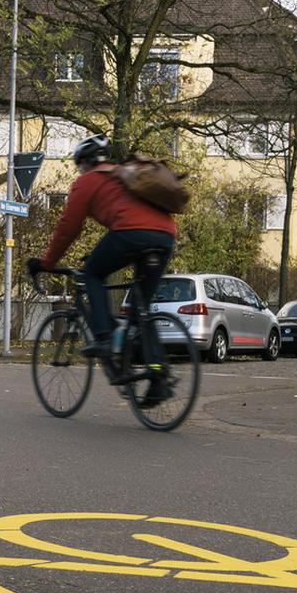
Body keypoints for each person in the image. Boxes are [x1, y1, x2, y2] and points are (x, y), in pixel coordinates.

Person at [26, 134, 177, 404]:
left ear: (84, 162)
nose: (80, 170)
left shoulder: (87, 182)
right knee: (142, 306)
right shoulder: (125, 175)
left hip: (130, 234)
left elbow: (68, 228)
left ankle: (106, 338)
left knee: (92, 274)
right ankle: (158, 375)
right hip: (165, 236)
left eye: (79, 165)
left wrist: (47, 263)